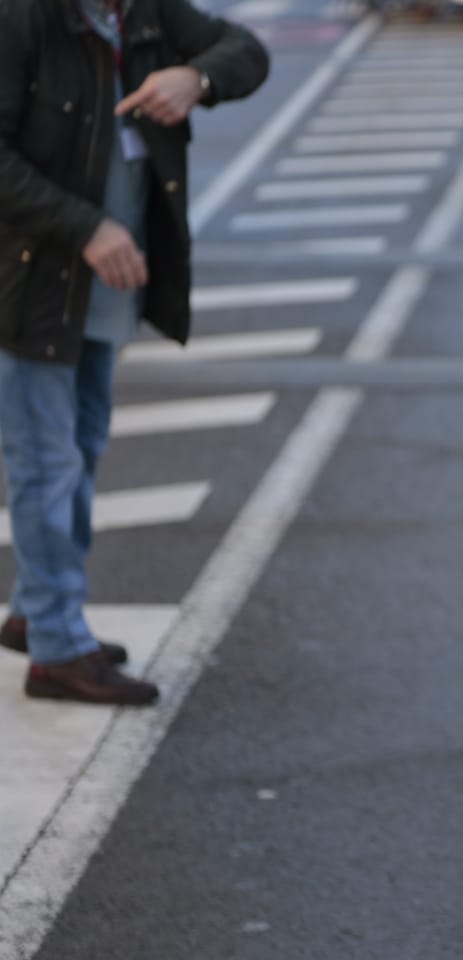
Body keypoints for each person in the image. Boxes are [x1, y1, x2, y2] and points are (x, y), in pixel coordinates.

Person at [0, 0, 269, 704]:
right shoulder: (25, 17)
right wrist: (85, 227)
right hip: (32, 283)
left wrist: (195, 80)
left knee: (79, 447)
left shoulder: (144, 12)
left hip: (103, 288)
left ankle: (38, 610)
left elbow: (246, 51)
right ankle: (57, 649)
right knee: (47, 463)